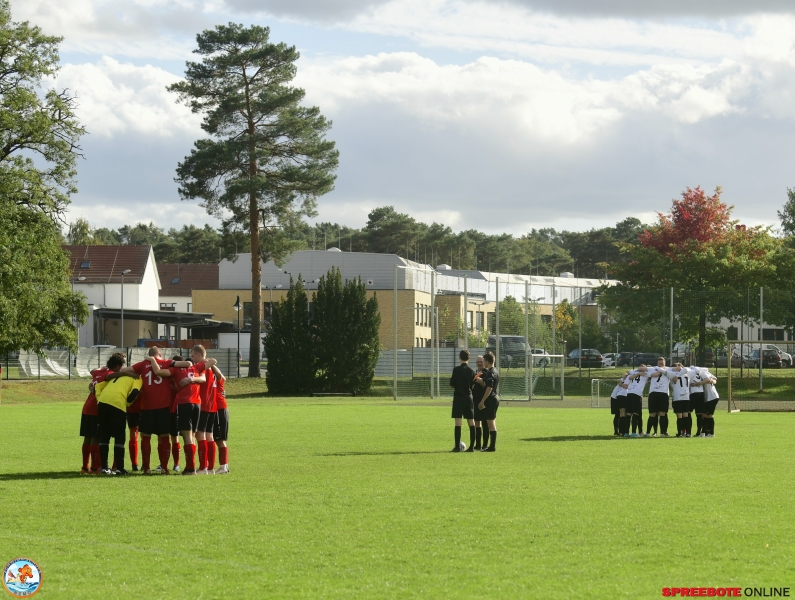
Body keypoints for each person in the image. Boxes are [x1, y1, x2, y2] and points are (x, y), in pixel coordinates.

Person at [121, 347, 191, 474]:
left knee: (145, 436)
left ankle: (146, 468)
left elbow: (123, 370)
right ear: (160, 354)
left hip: (147, 406)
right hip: (163, 406)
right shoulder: (166, 362)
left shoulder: (143, 364)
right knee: (164, 436)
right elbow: (187, 364)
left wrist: (136, 374)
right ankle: (164, 468)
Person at [150, 354, 207, 475]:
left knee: (186, 437)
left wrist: (152, 360)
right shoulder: (196, 368)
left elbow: (158, 372)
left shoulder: (175, 370)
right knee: (192, 437)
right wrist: (194, 376)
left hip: (184, 404)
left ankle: (191, 468)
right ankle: (190, 467)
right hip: (197, 404)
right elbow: (209, 367)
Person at [94, 354, 142, 475]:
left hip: (102, 404)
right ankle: (120, 468)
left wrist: (99, 399)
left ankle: (104, 468)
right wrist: (126, 404)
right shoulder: (137, 378)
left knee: (104, 435)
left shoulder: (116, 376)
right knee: (120, 436)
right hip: (117, 404)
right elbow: (134, 393)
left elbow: (97, 387)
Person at [190, 346, 218, 474]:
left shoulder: (203, 367)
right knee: (209, 435)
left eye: (193, 356)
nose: (192, 359)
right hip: (212, 405)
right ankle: (210, 467)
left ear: (198, 355)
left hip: (203, 404)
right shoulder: (211, 367)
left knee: (200, 434)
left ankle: (203, 467)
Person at [80, 363, 110, 474]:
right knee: (95, 438)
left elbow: (92, 370)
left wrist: (102, 367)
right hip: (96, 409)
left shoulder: (98, 372)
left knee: (87, 437)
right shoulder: (110, 374)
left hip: (87, 407)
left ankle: (85, 467)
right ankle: (94, 468)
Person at [449, 349, 476, 452]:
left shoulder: (456, 370)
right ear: (469, 358)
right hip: (468, 397)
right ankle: (472, 447)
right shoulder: (472, 371)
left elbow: (451, 385)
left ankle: (457, 446)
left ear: (459, 357)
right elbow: (473, 386)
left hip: (458, 397)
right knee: (471, 421)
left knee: (458, 422)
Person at [477, 351, 500, 452]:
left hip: (491, 399)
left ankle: (492, 447)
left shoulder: (491, 372)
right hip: (494, 398)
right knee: (490, 422)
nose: (483, 363)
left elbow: (489, 387)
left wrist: (483, 400)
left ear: (487, 361)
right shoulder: (495, 371)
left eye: (484, 361)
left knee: (491, 424)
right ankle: (491, 446)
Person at [645, 357, 672, 437]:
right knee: (652, 414)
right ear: (657, 364)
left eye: (662, 363)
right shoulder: (653, 369)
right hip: (654, 393)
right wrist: (662, 371)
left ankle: (663, 433)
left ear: (665, 363)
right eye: (659, 363)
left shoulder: (669, 369)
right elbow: (652, 374)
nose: (660, 365)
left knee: (662, 413)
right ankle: (648, 432)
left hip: (663, 393)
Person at [212, 365, 230, 474]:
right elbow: (223, 378)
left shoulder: (216, 378)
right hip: (219, 409)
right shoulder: (217, 380)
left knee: (220, 440)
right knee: (217, 439)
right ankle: (224, 466)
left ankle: (223, 466)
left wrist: (212, 365)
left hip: (219, 409)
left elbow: (221, 376)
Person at [666, 363, 692, 437]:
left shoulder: (672, 374)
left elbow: (664, 371)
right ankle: (688, 433)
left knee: (679, 416)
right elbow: (694, 370)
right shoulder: (687, 374)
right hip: (686, 397)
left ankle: (680, 433)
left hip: (677, 397)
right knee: (686, 415)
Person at [693, 367, 719, 437]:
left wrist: (698, 383)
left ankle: (709, 433)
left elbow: (708, 379)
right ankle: (706, 432)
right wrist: (711, 381)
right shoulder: (707, 373)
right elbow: (715, 379)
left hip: (711, 397)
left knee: (707, 415)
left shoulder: (702, 373)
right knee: (706, 415)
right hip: (712, 396)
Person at [625, 366, 650, 437]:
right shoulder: (646, 374)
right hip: (637, 394)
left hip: (629, 393)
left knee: (628, 414)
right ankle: (633, 432)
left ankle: (626, 433)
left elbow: (628, 373)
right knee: (635, 413)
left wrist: (637, 373)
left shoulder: (634, 372)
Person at [472, 355, 487, 449]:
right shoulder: (475, 372)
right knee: (477, 422)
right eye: (478, 362)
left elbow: (485, 385)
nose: (479, 363)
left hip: (483, 401)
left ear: (484, 362)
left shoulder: (486, 373)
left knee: (485, 423)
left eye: (481, 361)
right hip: (475, 400)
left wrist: (478, 379)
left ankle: (485, 445)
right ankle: (477, 445)